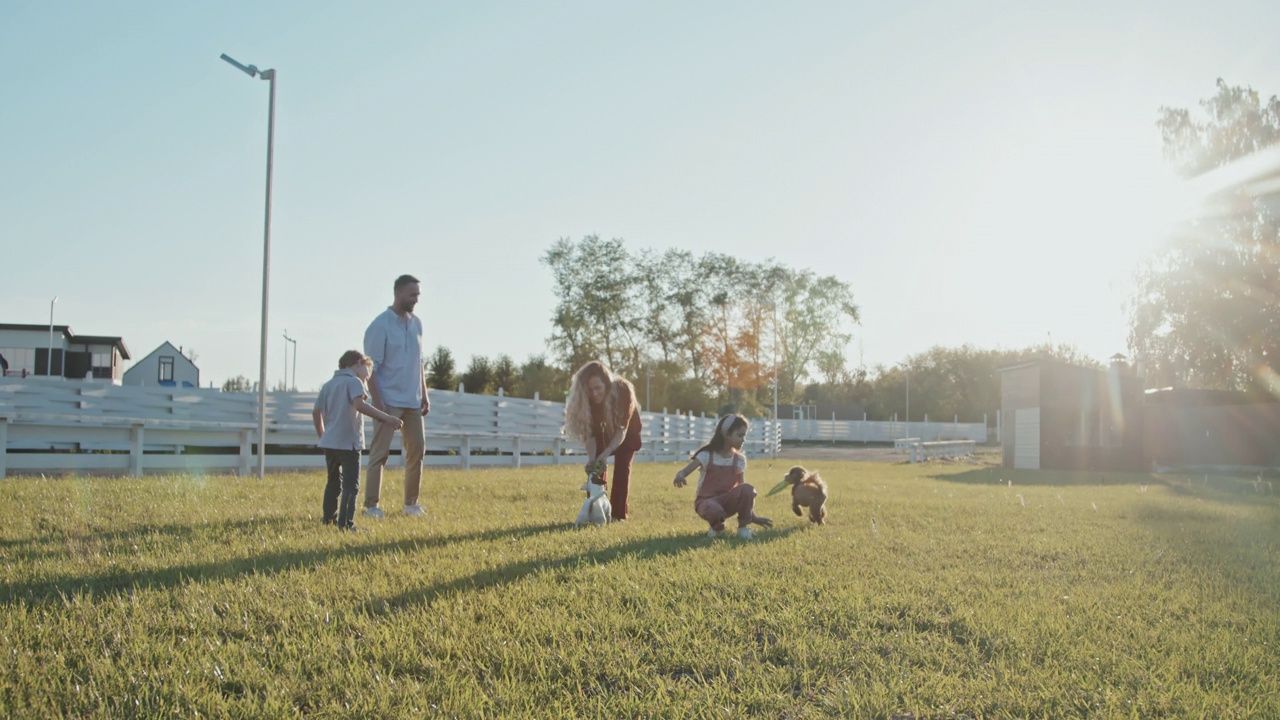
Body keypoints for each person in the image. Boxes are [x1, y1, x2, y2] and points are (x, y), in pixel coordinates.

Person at [362, 274, 431, 518]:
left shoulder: (417, 324)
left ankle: (411, 504)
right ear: (398, 293)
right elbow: (370, 369)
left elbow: (419, 362)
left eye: (418, 294)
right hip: (388, 402)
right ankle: (371, 506)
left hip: (412, 402)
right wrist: (378, 405)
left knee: (417, 451)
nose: (416, 299)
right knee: (379, 454)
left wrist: (424, 393)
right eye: (413, 294)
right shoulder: (380, 325)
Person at [312, 351, 403, 530]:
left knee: (333, 482)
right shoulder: (353, 382)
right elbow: (359, 405)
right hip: (348, 443)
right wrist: (387, 419)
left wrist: (322, 435)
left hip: (330, 442)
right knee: (351, 485)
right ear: (357, 363)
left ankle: (328, 519)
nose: (368, 375)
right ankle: (346, 524)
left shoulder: (328, 385)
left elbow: (316, 412)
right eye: (367, 369)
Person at [563, 360, 643, 521]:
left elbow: (622, 430)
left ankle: (617, 515)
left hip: (626, 432)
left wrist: (606, 454)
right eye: (589, 390)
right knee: (595, 469)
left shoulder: (623, 391)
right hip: (603, 432)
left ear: (606, 384)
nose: (594, 394)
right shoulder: (586, 401)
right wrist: (593, 460)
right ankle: (595, 510)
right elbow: (590, 435)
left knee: (622, 470)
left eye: (598, 388)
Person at [673, 413, 773, 539]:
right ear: (726, 434)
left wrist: (752, 517)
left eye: (744, 435)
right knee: (714, 509)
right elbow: (685, 471)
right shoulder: (707, 455)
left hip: (727, 502)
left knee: (748, 489)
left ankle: (743, 528)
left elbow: (743, 493)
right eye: (739, 435)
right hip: (706, 502)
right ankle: (717, 529)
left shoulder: (739, 459)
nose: (743, 440)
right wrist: (680, 476)